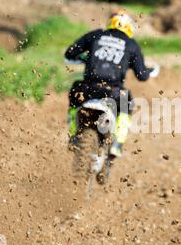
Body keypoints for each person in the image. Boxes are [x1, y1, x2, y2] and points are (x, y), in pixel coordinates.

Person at [64, 10, 159, 157]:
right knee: (127, 103)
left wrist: (86, 58)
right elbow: (142, 76)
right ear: (129, 27)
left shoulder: (95, 35)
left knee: (74, 93)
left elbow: (70, 53)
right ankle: (118, 143)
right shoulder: (131, 44)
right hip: (113, 93)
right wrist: (148, 71)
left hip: (87, 89)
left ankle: (72, 134)